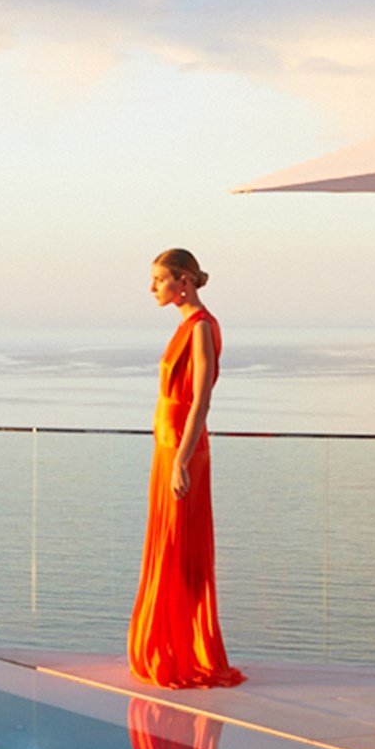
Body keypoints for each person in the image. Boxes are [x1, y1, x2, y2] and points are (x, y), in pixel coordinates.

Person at [128, 248, 244, 688]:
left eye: (159, 279)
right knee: (166, 545)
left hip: (182, 450)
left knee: (180, 548)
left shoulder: (200, 328)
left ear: (183, 281)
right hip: (167, 448)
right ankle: (170, 642)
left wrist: (180, 460)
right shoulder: (184, 325)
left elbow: (201, 400)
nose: (152, 288)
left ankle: (184, 648)